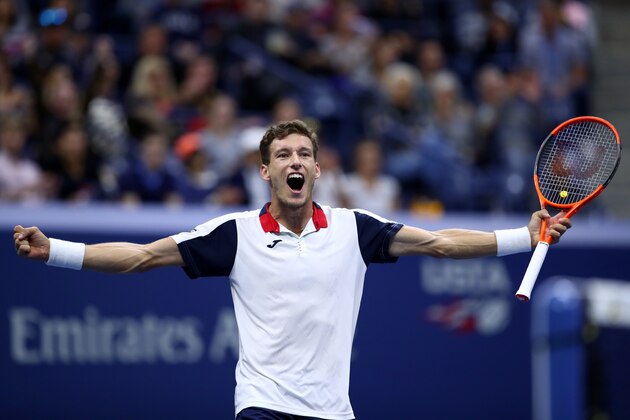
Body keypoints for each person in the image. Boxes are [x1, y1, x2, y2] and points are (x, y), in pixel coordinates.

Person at [14, 119, 571, 420]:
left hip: (333, 413)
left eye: (304, 154)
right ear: (265, 171)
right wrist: (56, 249)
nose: (295, 162)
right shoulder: (235, 234)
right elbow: (140, 257)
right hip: (262, 409)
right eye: (283, 156)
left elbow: (443, 244)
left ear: (319, 169)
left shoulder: (356, 228)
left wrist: (523, 237)